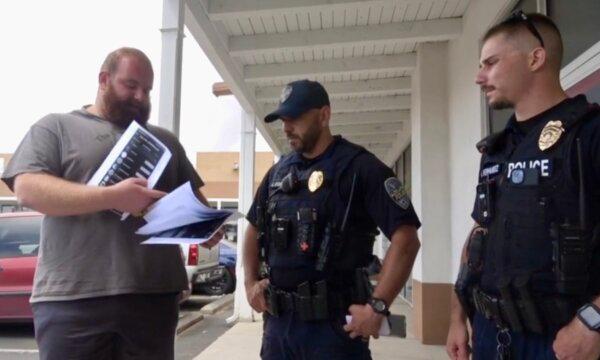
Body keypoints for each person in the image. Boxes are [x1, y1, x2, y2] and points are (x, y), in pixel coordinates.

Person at [1, 47, 220, 360]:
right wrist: (113, 196)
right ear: (104, 79)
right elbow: (28, 189)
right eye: (130, 86)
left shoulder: (166, 141)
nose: (140, 97)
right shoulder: (56, 127)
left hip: (153, 297)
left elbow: (198, 204)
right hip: (72, 298)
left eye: (146, 90)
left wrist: (203, 226)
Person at [446, 12, 600, 360]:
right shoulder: (497, 150)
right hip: (490, 333)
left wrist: (592, 322)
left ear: (536, 58)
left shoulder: (588, 134)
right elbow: (479, 231)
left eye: (491, 63)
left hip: (563, 339)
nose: (478, 77)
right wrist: (457, 314)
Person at [243, 79, 421, 359]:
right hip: (279, 329)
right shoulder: (278, 174)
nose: (287, 127)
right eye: (283, 119)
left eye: (295, 118)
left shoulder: (361, 168)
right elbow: (253, 228)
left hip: (333, 330)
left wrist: (377, 306)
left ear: (324, 115)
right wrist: (250, 282)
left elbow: (406, 239)